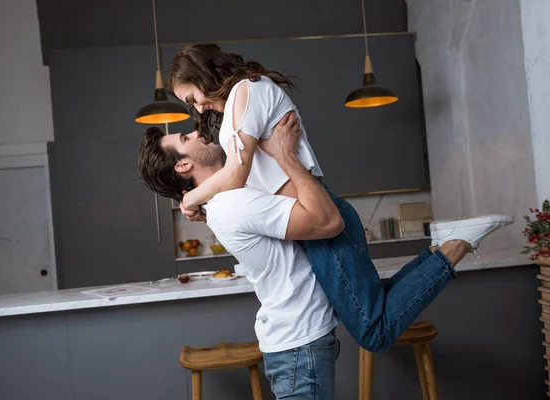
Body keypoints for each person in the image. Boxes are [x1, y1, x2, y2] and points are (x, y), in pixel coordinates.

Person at [155, 43, 514, 352]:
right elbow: (239, 179)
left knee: (373, 332)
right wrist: (203, 202)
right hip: (315, 218)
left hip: (323, 222)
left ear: (203, 75)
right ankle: (443, 246)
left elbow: (236, 174)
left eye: (192, 97)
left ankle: (458, 242)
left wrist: (189, 199)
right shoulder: (245, 95)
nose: (199, 108)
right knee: (374, 306)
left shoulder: (245, 93)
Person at [137, 115, 508, 399]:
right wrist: (286, 155)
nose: (198, 132)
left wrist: (191, 198)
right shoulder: (232, 204)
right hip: (298, 343)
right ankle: (453, 246)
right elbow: (326, 221)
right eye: (186, 138)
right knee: (376, 329)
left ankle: (448, 246)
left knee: (376, 316)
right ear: (183, 166)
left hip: (298, 341)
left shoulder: (227, 196)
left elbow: (238, 176)